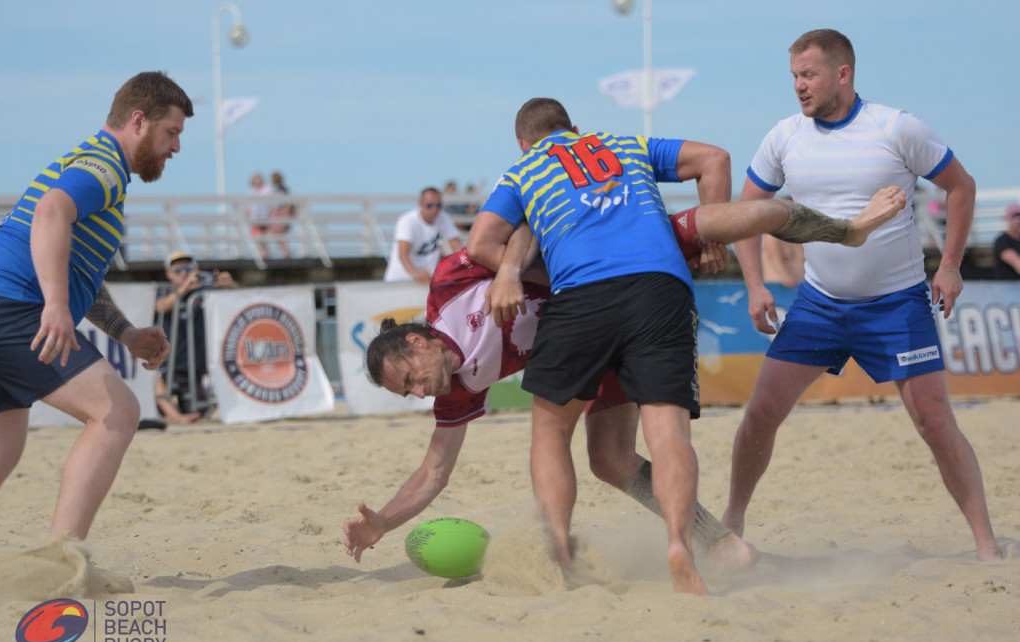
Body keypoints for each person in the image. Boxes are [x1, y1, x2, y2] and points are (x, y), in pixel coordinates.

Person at [343, 178, 902, 575]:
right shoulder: (456, 389)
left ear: (416, 340)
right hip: (590, 340)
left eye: (410, 376)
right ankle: (717, 542)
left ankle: (843, 227)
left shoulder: (447, 283)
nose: (419, 391)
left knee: (712, 225)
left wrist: (512, 270)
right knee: (609, 458)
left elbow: (522, 224)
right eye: (407, 392)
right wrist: (382, 524)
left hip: (604, 259)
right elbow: (433, 472)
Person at [463, 98, 903, 593]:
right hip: (659, 286)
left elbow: (481, 243)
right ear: (576, 129)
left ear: (523, 144)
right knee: (660, 437)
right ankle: (683, 544)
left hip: (581, 295)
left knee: (550, 432)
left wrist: (530, 270)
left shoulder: (523, 170)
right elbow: (715, 159)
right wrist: (714, 241)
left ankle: (559, 555)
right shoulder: (622, 143)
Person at [723, 29, 1002, 562]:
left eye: (808, 75)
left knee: (935, 421)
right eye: (794, 78)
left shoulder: (896, 128)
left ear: (842, 75)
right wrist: (755, 285)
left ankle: (986, 546)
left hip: (896, 305)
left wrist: (949, 266)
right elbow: (745, 213)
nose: (799, 87)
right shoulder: (784, 137)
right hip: (819, 303)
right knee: (761, 413)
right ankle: (732, 525)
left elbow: (960, 187)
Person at [0, 71, 193, 542]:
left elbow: (71, 265)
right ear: (139, 121)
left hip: (7, 302)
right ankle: (63, 560)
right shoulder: (103, 165)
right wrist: (56, 305)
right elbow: (50, 212)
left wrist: (126, 333)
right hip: (12, 305)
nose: (176, 148)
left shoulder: (95, 166)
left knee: (5, 441)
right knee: (117, 413)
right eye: (172, 132)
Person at [154, 252, 238, 424]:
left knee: (199, 411)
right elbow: (160, 307)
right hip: (168, 362)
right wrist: (184, 288)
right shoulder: (163, 291)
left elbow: (239, 304)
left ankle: (175, 415)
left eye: (188, 269)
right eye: (178, 270)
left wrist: (231, 286)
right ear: (169, 274)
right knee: (154, 384)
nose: (184, 273)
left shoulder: (205, 292)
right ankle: (174, 416)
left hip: (195, 365)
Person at [383, 187, 464, 283]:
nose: (434, 209)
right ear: (420, 205)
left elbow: (456, 246)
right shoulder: (407, 221)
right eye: (429, 205)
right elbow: (403, 253)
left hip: (427, 280)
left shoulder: (443, 218)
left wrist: (465, 266)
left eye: (438, 205)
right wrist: (415, 273)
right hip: (400, 280)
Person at [247, 172, 275, 259]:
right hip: (255, 217)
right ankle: (263, 253)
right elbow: (250, 205)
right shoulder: (253, 192)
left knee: (262, 236)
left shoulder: (267, 190)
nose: (257, 182)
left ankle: (265, 253)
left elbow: (271, 203)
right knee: (257, 236)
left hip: (265, 215)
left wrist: (272, 214)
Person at [268, 171, 294, 259]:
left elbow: (287, 203)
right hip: (279, 213)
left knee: (280, 234)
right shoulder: (278, 189)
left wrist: (286, 214)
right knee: (278, 235)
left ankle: (287, 253)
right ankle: (286, 252)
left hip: (282, 213)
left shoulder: (282, 189)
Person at [993, 203, 1020, 279]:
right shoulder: (1002, 241)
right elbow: (1017, 264)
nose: (1018, 221)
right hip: (1008, 288)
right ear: (1007, 219)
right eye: (1016, 217)